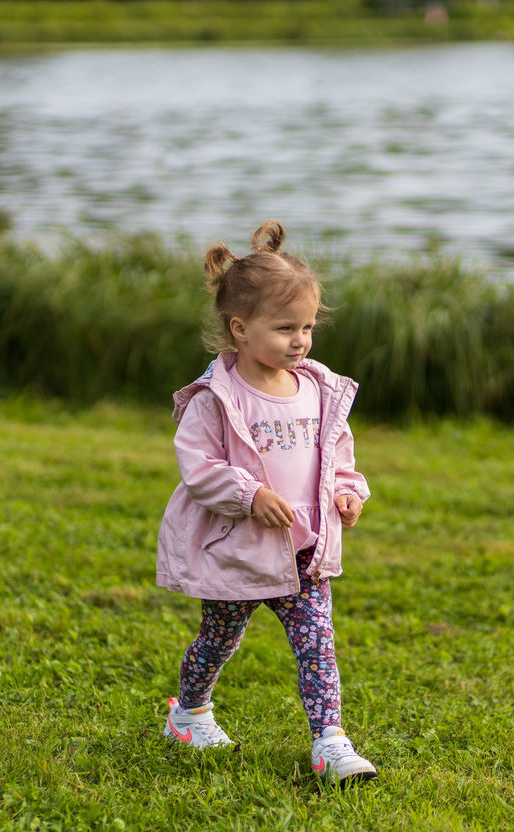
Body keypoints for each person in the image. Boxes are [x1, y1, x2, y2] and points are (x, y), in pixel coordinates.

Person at [155, 220, 377, 785]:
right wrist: (249, 496)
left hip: (305, 552)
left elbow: (338, 456)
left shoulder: (320, 389)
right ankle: (190, 712)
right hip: (242, 550)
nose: (300, 340)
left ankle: (330, 743)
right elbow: (199, 468)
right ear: (240, 328)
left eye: (306, 327)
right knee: (218, 639)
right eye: (284, 328)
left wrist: (347, 492)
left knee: (318, 647)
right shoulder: (219, 399)